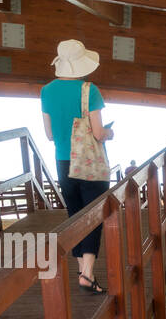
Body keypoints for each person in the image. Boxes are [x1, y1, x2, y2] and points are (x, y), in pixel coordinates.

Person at [41, 39, 114, 293]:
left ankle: (81, 268)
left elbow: (49, 134)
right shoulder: (89, 90)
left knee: (75, 215)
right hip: (89, 163)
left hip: (63, 161)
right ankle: (88, 274)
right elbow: (97, 133)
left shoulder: (46, 91)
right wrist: (109, 133)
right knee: (93, 217)